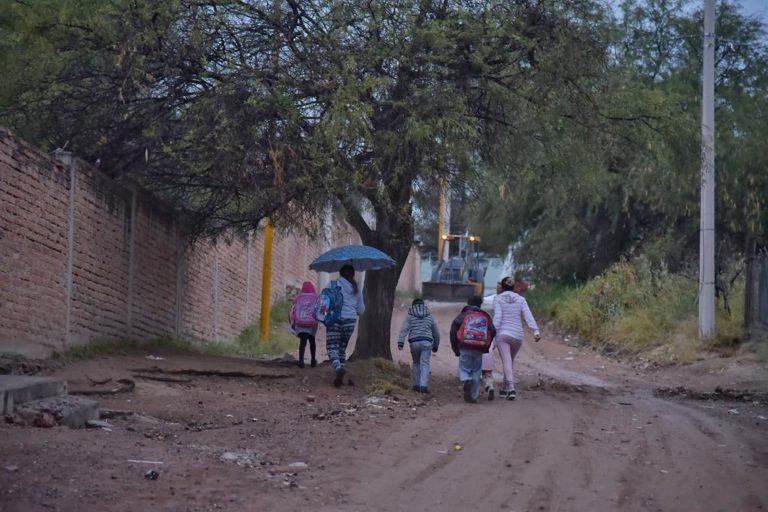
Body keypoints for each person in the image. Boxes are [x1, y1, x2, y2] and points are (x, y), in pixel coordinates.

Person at [494, 275, 541, 401]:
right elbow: (528, 315)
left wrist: (492, 333)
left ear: (502, 287)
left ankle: (511, 387)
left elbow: (497, 318)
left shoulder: (498, 299)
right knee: (509, 361)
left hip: (503, 335)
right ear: (514, 287)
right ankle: (505, 388)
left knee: (506, 361)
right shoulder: (521, 300)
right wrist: (535, 331)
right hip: (517, 336)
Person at [325, 264, 365, 387]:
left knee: (332, 347)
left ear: (340, 273)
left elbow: (324, 302)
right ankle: (340, 375)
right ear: (353, 274)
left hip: (335, 319)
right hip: (350, 321)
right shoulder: (356, 289)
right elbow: (361, 310)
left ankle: (338, 368)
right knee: (342, 348)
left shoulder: (332, 285)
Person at [450, 296, 495, 403]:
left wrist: (455, 348)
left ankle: (466, 380)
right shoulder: (485, 316)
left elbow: (453, 331)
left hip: (464, 346)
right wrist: (486, 347)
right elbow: (493, 331)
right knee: (476, 371)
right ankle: (473, 396)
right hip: (479, 348)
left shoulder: (463, 315)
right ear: (480, 304)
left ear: (468, 303)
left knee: (464, 368)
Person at [397, 298, 440, 394]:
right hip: (427, 342)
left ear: (413, 306)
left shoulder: (410, 315)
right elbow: (436, 332)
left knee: (416, 362)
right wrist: (436, 345)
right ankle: (423, 386)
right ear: (423, 305)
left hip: (414, 342)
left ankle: (416, 385)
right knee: (425, 363)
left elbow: (404, 329)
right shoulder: (429, 316)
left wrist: (400, 342)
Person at [481, 281, 503, 400]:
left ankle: (480, 387)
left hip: (480, 360)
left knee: (480, 373)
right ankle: (490, 386)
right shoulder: (489, 341)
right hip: (489, 361)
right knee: (488, 374)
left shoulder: (478, 340)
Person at [288, 281, 319, 368]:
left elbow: (292, 310)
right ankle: (313, 360)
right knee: (312, 341)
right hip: (312, 324)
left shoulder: (298, 298)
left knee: (303, 342)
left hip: (301, 323)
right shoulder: (316, 298)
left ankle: (301, 361)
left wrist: (291, 322)